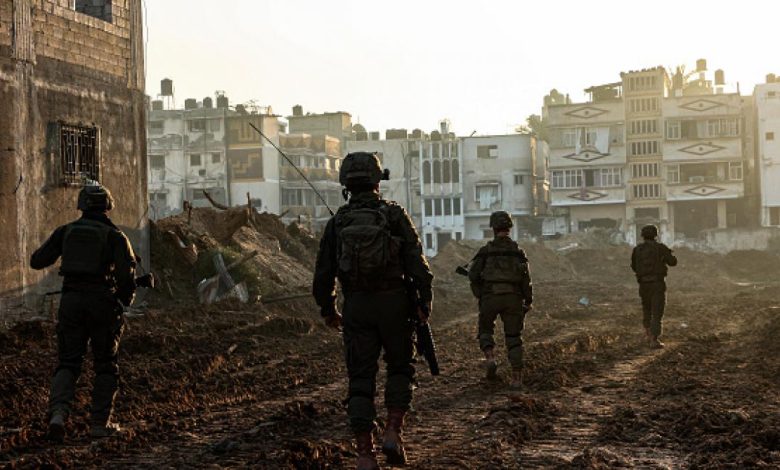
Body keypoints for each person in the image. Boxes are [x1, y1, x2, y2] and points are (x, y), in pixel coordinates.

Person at [313, 152, 433, 470]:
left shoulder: (338, 222)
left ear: (346, 184)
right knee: (400, 368)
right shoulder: (394, 215)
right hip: (395, 304)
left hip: (357, 306)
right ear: (378, 182)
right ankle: (393, 432)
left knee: (360, 379)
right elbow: (417, 263)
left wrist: (329, 309)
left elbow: (323, 274)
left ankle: (365, 454)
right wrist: (424, 302)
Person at [30, 184, 137, 442]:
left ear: (82, 206)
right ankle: (100, 424)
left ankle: (58, 415)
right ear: (107, 206)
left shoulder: (65, 231)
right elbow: (126, 279)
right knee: (106, 365)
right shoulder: (116, 236)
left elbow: (37, 261)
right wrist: (124, 300)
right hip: (102, 304)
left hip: (71, 303)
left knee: (68, 362)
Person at [468, 211, 533, 390]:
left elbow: (473, 275)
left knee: (485, 330)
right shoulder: (518, 252)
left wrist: (480, 295)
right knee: (514, 337)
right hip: (513, 298)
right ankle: (516, 379)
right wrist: (528, 300)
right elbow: (526, 279)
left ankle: (490, 358)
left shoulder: (485, 251)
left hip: (490, 297)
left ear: (493, 228)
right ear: (509, 228)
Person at [631, 224, 677, 349]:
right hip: (657, 284)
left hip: (643, 284)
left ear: (643, 236)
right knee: (657, 311)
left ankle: (648, 334)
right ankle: (654, 339)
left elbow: (634, 266)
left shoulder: (637, 250)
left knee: (647, 309)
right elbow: (673, 262)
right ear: (655, 235)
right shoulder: (660, 248)